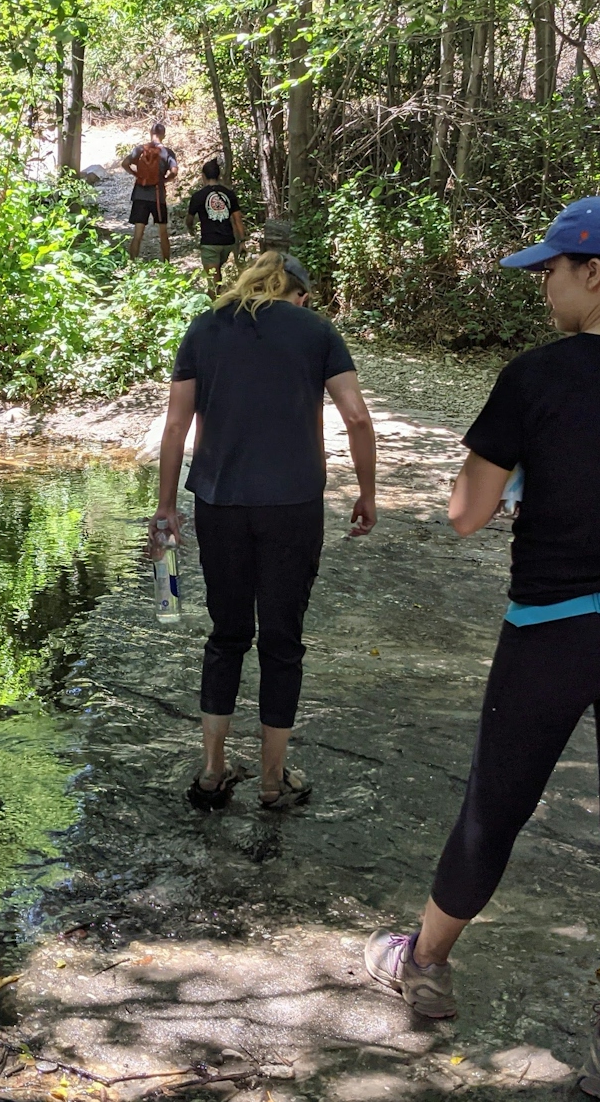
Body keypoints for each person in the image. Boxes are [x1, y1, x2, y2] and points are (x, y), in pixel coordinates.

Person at [364, 197, 600, 1102]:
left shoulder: (534, 380)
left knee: (494, 808)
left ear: (595, 273)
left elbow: (463, 516)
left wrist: (519, 472)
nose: (543, 285)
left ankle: (425, 965)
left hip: (550, 634)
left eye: (550, 270)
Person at [153, 251, 378, 811]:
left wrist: (165, 509)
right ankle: (274, 782)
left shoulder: (204, 328)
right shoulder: (316, 331)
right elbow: (356, 417)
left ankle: (211, 773)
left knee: (227, 635)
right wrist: (366, 494)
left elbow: (176, 424)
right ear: (298, 293)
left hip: (219, 502)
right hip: (293, 505)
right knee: (281, 642)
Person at [187, 160, 247, 296]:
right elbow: (237, 219)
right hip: (228, 242)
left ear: (203, 176)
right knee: (217, 276)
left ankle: (214, 311)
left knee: (213, 285)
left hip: (210, 242)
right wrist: (242, 241)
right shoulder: (229, 194)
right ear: (219, 176)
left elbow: (189, 219)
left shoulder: (198, 196)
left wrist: (190, 229)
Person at [123, 123, 178, 261]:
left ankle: (132, 264)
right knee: (163, 233)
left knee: (138, 234)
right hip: (158, 196)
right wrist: (164, 180)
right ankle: (166, 265)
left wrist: (136, 175)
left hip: (140, 195)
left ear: (150, 133)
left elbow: (125, 163)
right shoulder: (167, 152)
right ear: (163, 134)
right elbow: (174, 172)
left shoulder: (140, 149)